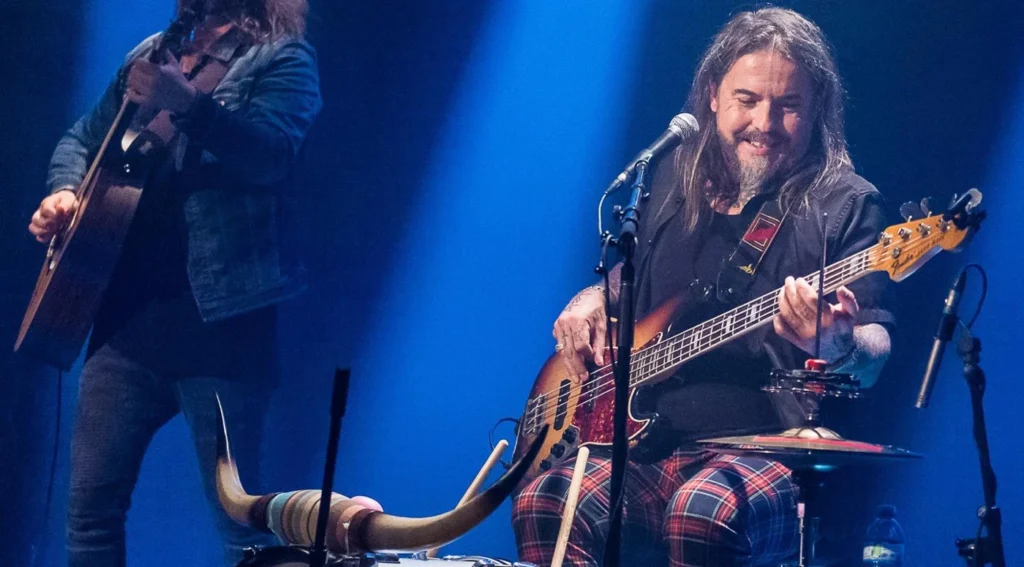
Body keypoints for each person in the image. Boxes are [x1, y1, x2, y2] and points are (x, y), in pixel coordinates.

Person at [513, 8, 894, 567]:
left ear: (816, 111)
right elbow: (633, 282)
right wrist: (590, 299)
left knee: (702, 509)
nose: (765, 122)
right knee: (547, 498)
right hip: (646, 446)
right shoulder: (672, 177)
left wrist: (839, 343)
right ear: (713, 95)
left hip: (768, 455)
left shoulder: (845, 204)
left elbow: (875, 349)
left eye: (788, 106)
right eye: (747, 99)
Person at [27, 1, 321, 565]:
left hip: (221, 329)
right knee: (90, 517)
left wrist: (186, 104)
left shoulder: (282, 58)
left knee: (244, 527)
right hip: (125, 324)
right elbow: (81, 139)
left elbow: (272, 155)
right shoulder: (153, 52)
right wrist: (63, 190)